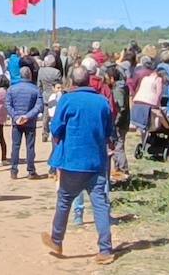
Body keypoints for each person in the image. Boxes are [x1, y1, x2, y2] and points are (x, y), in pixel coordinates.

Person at [41, 67, 116, 265]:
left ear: (72, 82)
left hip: (73, 161)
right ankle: (105, 249)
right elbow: (110, 130)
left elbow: (56, 127)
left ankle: (57, 240)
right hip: (96, 160)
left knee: (64, 201)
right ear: (89, 81)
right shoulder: (101, 101)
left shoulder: (67, 100)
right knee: (100, 204)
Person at [7, 66, 43, 178]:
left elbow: (8, 105)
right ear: (30, 75)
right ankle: (31, 171)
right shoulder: (36, 89)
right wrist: (27, 116)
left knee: (15, 146)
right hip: (30, 122)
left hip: (16, 122)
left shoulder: (12, 89)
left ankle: (14, 170)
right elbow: (39, 106)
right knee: (30, 146)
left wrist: (16, 116)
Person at [129, 57, 162, 148]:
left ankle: (144, 142)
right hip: (150, 103)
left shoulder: (145, 78)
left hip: (138, 101)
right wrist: (158, 106)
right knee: (152, 125)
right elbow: (158, 94)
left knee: (143, 126)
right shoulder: (158, 79)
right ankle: (150, 143)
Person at [108, 65, 131, 181]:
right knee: (117, 146)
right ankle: (118, 170)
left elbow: (120, 108)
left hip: (120, 123)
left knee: (118, 147)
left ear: (112, 78)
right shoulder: (122, 87)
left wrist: (115, 122)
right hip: (123, 121)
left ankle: (123, 171)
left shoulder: (118, 89)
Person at [37, 55, 62, 142]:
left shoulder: (41, 71)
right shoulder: (57, 72)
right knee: (55, 115)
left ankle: (44, 133)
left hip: (45, 95)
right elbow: (59, 85)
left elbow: (39, 85)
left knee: (45, 116)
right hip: (54, 96)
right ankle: (54, 133)